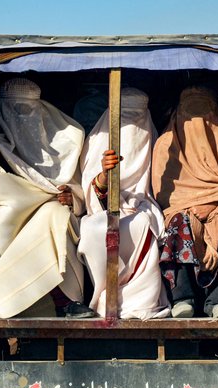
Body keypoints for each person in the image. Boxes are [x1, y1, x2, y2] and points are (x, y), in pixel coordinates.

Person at [0, 78, 94, 319]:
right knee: (43, 216)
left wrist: (73, 198)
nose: (23, 116)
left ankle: (66, 302)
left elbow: (81, 191)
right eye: (16, 110)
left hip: (60, 219)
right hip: (11, 226)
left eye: (29, 109)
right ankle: (62, 303)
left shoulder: (65, 147)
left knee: (57, 215)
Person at [151, 86, 218, 318]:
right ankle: (183, 298)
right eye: (191, 116)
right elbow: (163, 195)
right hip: (181, 208)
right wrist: (192, 207)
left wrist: (211, 205)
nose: (200, 125)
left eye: (206, 115)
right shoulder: (166, 144)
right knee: (178, 223)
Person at [78, 88, 170, 319]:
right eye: (125, 114)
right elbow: (91, 189)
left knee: (142, 223)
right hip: (102, 210)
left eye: (137, 114)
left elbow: (155, 185)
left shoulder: (154, 139)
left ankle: (141, 302)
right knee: (94, 229)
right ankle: (103, 298)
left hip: (141, 206)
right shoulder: (97, 141)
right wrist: (104, 175)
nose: (132, 124)